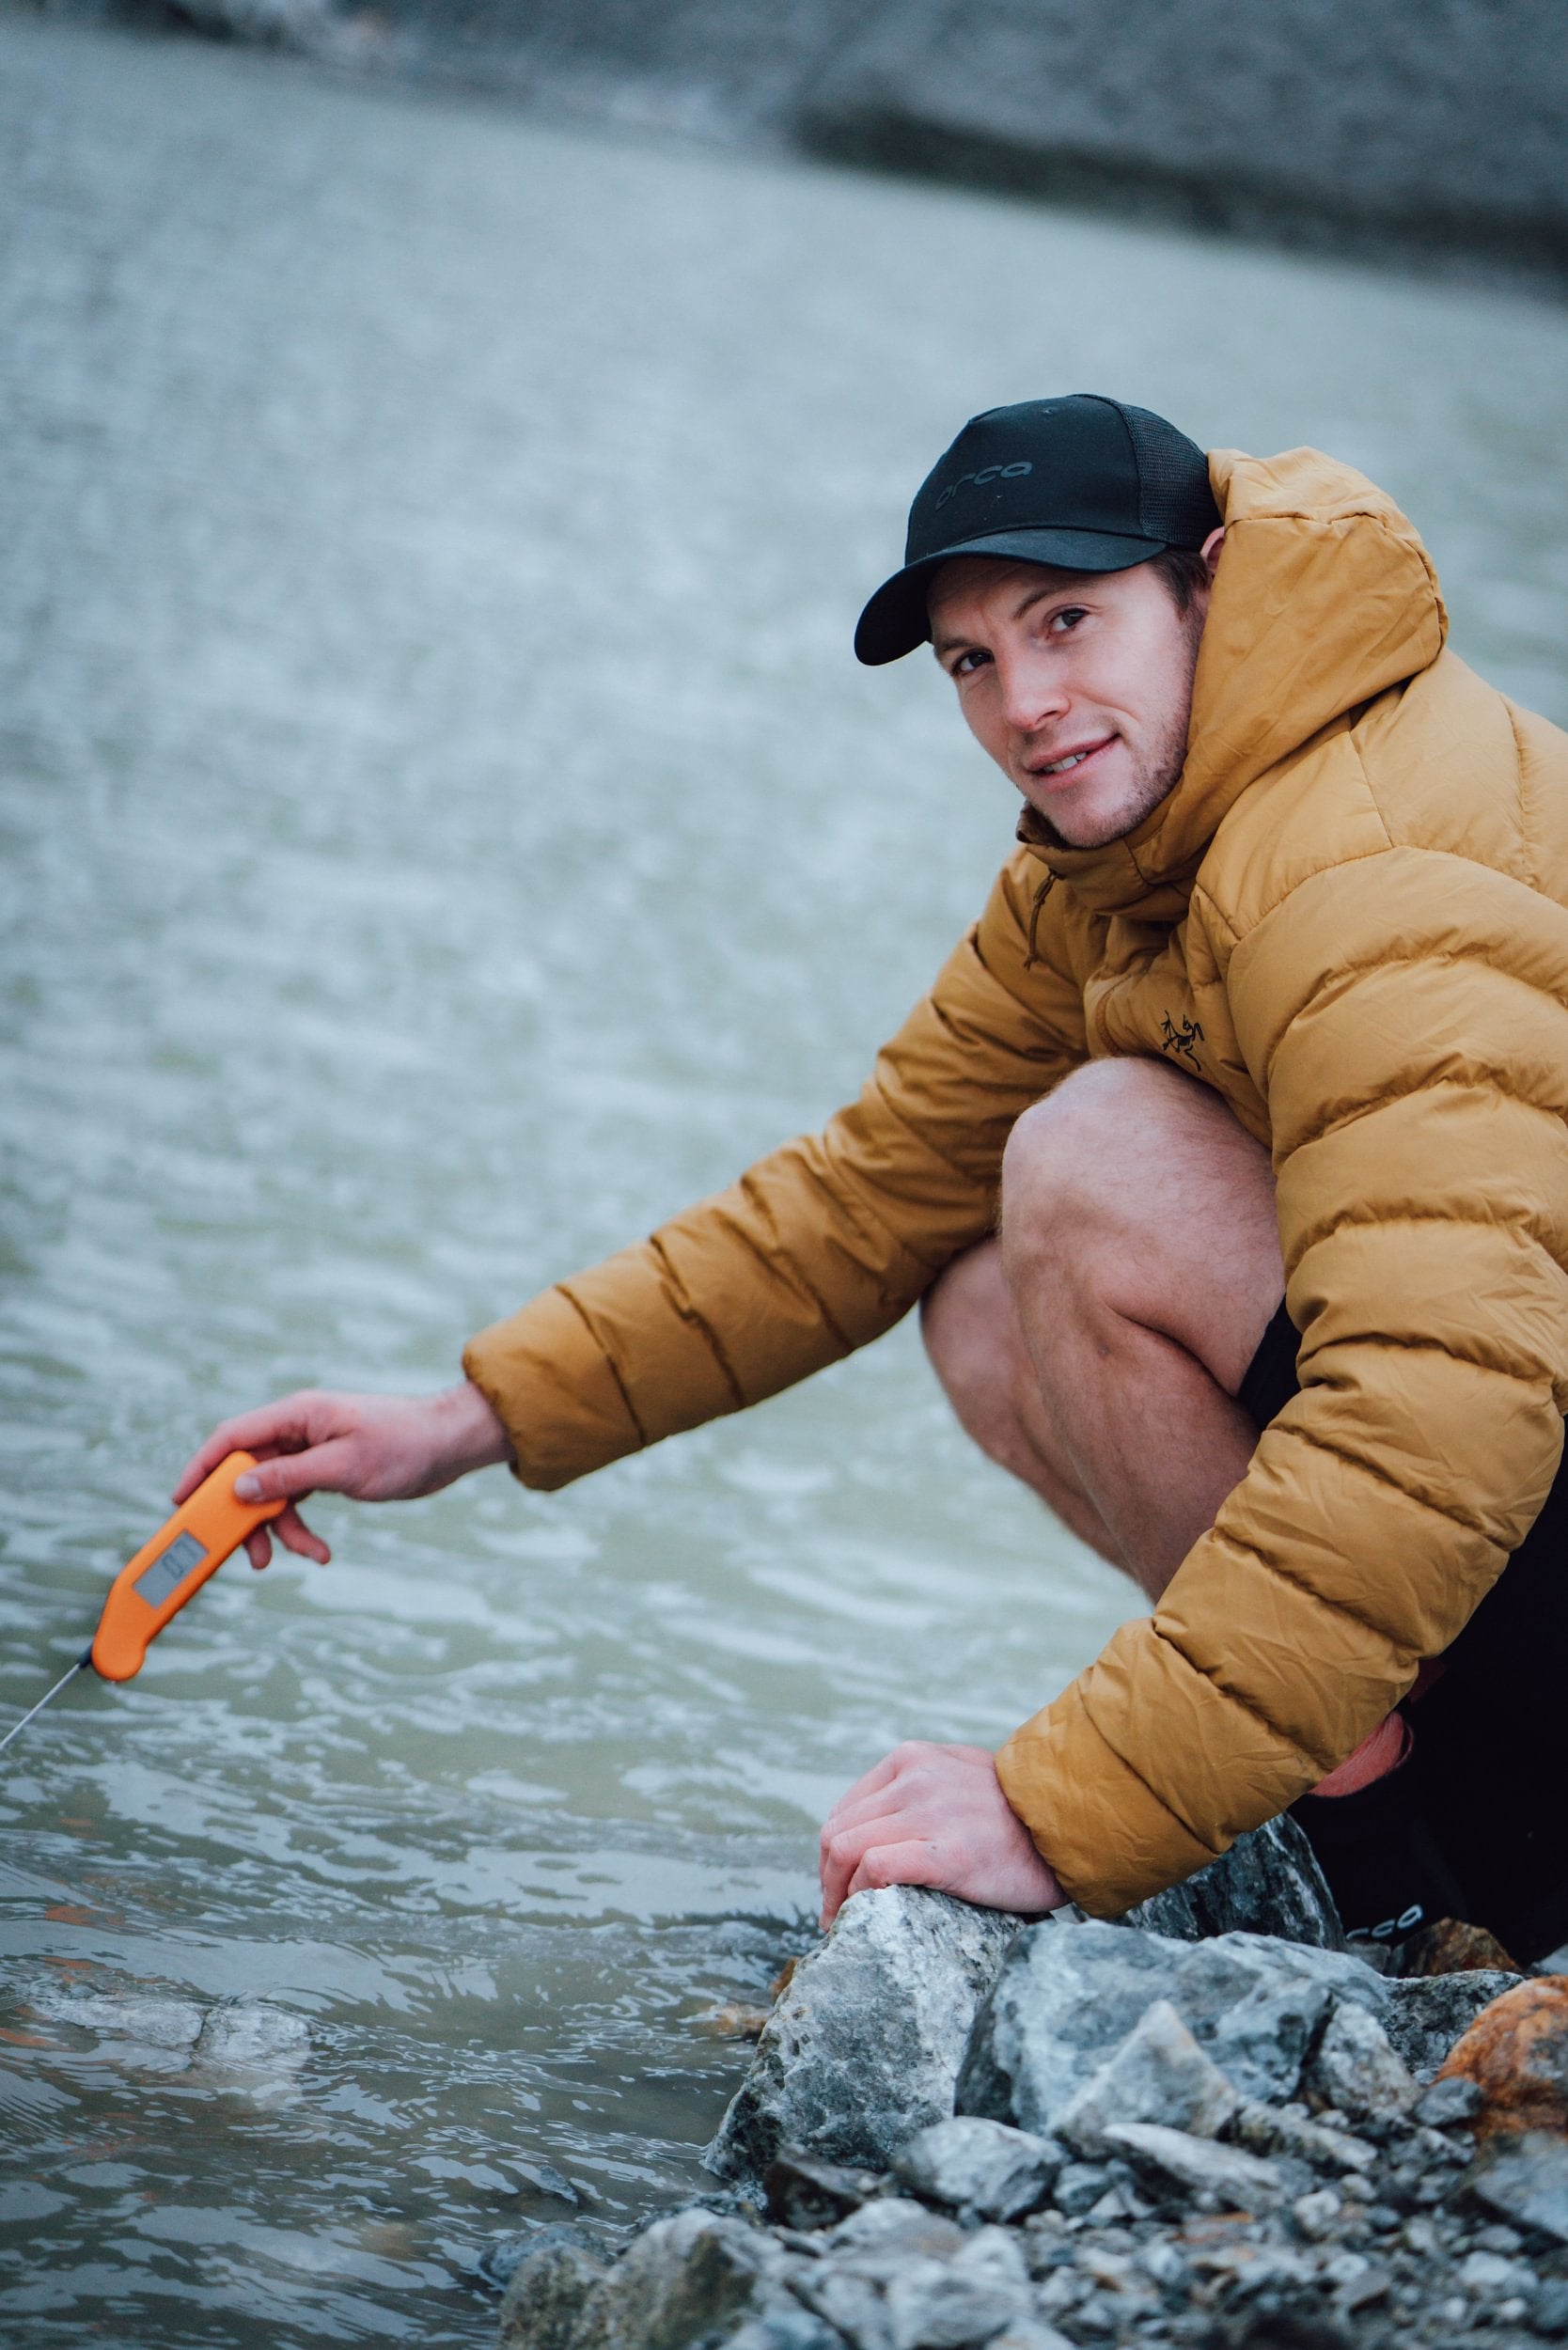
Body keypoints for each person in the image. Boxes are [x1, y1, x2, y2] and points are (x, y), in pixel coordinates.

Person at [179, 395, 1568, 1962]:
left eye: (1068, 621)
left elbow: (1438, 1409)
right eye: (973, 660)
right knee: (979, 1296)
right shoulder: (1119, 865)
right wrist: (461, 1421)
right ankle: (1379, 1775)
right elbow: (864, 1196)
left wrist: (1063, 1806)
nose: (1027, 702)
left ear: (1209, 579)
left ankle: (1409, 1856)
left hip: (1509, 1466)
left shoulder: (1369, 870)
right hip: (1515, 1501)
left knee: (1088, 1161)